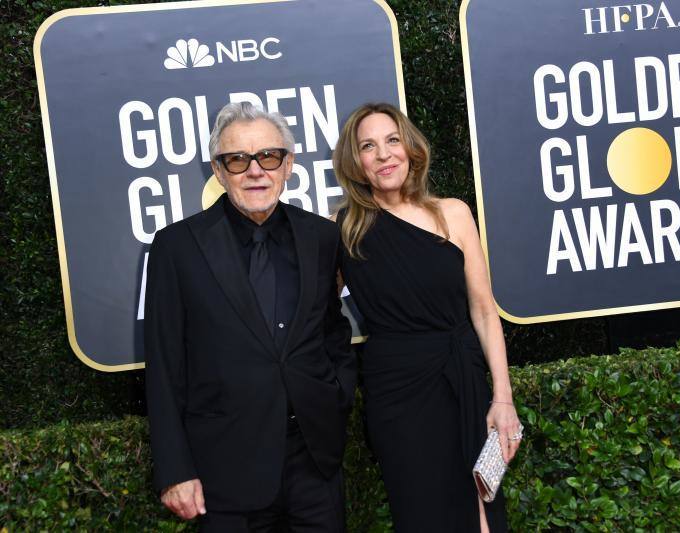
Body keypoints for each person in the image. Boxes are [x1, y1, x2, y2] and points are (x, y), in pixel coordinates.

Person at [145, 102, 356, 532]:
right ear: (218, 171)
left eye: (269, 156)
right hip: (224, 470)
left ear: (289, 165)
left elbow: (332, 331)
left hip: (314, 461)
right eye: (237, 159)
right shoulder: (176, 247)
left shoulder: (321, 236)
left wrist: (337, 395)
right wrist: (175, 470)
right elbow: (164, 365)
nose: (255, 171)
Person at [332, 102, 522, 533]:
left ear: (410, 150)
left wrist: (503, 398)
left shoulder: (453, 213)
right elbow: (311, 313)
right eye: (368, 146)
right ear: (356, 163)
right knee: (421, 514)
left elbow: (484, 311)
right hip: (397, 395)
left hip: (463, 380)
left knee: (482, 511)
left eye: (392, 140)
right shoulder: (342, 230)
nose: (383, 154)